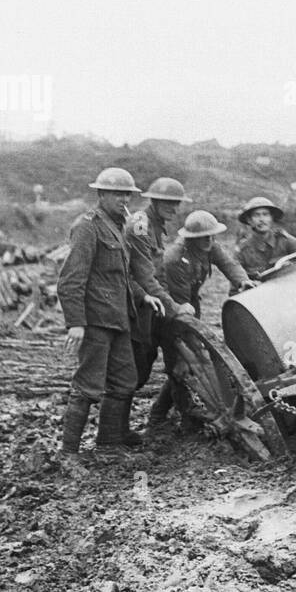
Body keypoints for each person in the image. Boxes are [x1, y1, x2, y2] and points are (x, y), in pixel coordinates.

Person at [56, 167, 165, 464]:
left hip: (119, 318)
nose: (123, 199)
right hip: (95, 320)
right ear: (101, 195)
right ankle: (68, 455)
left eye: (127, 194)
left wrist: (144, 295)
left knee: (124, 380)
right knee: (88, 385)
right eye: (117, 193)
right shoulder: (87, 227)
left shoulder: (118, 227)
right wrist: (76, 323)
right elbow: (70, 280)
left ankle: (108, 448)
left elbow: (122, 275)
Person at [152, 210, 255, 428]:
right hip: (168, 311)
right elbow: (178, 307)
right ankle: (180, 414)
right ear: (191, 238)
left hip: (189, 305)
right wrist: (187, 330)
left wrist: (243, 281)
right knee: (179, 362)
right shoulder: (175, 259)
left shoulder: (210, 245)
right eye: (204, 237)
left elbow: (229, 264)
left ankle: (161, 412)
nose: (210, 240)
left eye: (212, 236)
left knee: (189, 360)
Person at [125, 177, 196, 425]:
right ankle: (114, 433)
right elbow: (145, 276)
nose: (173, 208)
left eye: (176, 203)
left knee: (172, 355)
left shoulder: (157, 226)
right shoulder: (140, 224)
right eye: (167, 202)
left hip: (153, 303)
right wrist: (174, 307)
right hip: (137, 305)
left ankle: (173, 414)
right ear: (153, 200)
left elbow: (157, 275)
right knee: (137, 369)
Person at [235, 196, 296, 278]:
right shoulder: (243, 251)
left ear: (271, 218)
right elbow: (237, 284)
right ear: (249, 220)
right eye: (256, 215)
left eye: (265, 214)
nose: (261, 219)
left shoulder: (284, 240)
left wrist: (292, 266)